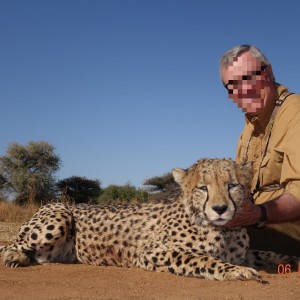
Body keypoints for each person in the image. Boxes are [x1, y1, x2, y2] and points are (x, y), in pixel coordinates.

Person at [220, 45, 300, 256]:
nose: (242, 91)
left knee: (223, 244)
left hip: (291, 224)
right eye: (232, 86)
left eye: (247, 78)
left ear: (268, 73)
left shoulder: (295, 114)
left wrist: (260, 213)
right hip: (258, 222)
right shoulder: (247, 132)